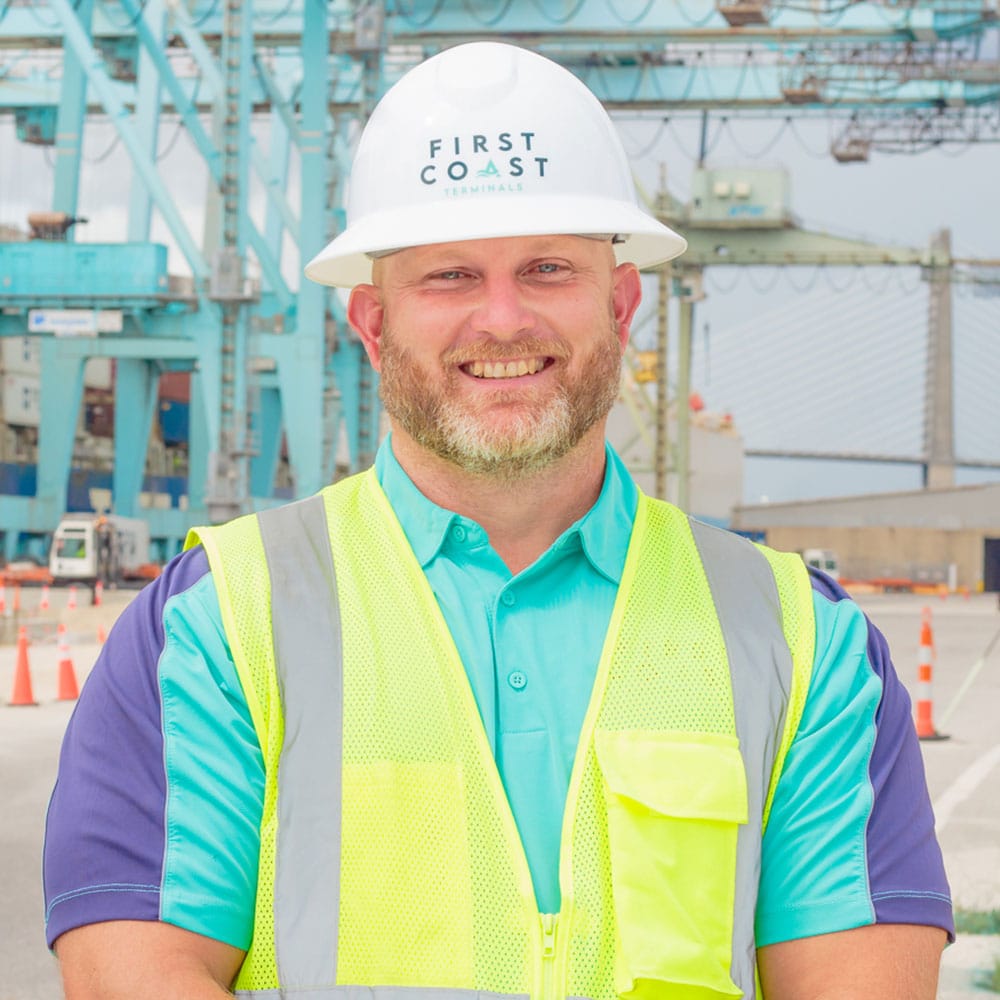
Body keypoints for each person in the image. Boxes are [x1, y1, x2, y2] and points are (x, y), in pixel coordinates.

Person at [44, 42, 952, 1000]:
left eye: (549, 267)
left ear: (621, 300)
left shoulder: (804, 643)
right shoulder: (214, 628)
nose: (505, 319)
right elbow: (134, 977)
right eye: (449, 277)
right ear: (371, 322)